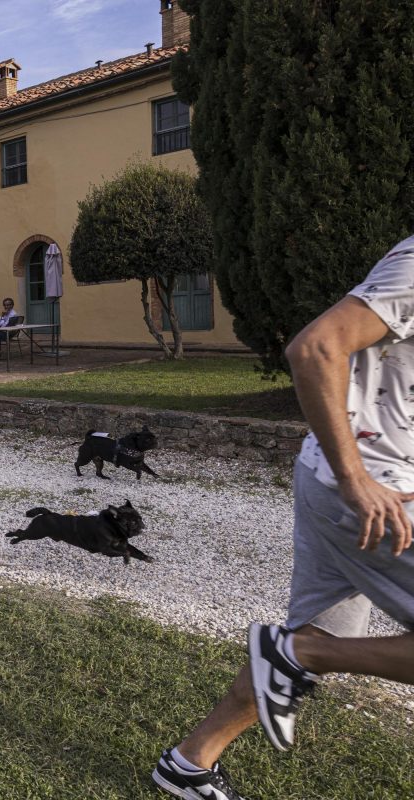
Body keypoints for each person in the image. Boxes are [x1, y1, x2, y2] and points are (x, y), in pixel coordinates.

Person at [152, 236, 414, 800]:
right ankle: (301, 654)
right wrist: (355, 480)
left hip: (351, 487)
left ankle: (188, 764)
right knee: (305, 648)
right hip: (373, 497)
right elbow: (315, 349)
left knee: (310, 637)